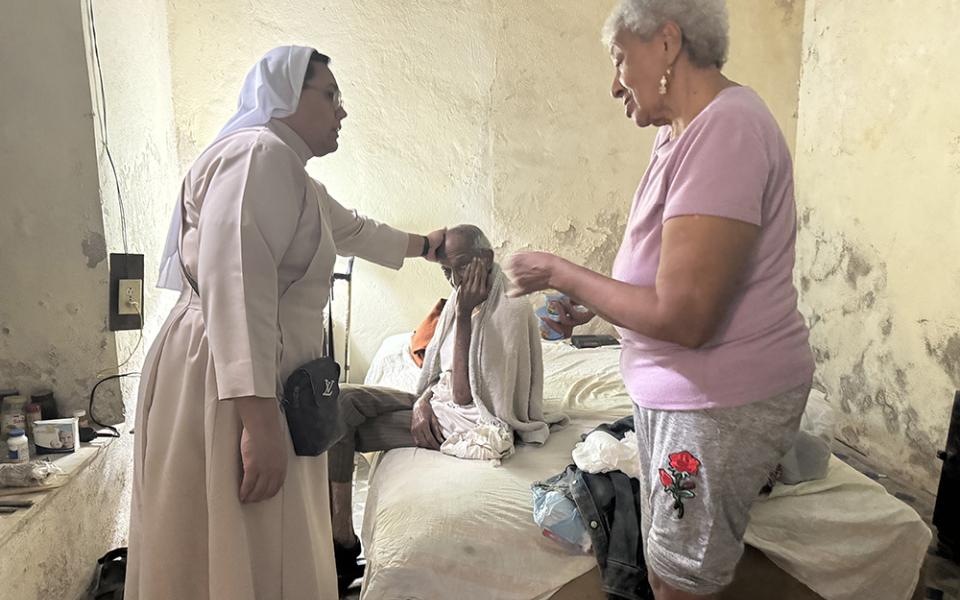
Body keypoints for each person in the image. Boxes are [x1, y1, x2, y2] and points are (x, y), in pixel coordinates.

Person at [504, 1, 815, 598]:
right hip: (683, 395)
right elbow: (671, 275)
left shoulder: (727, 130)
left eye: (619, 58)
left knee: (679, 581)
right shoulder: (680, 136)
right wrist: (600, 304)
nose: (613, 82)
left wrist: (560, 273)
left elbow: (687, 317)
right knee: (665, 567)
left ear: (667, 44)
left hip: (717, 401)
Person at [126, 46, 445, 600]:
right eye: (330, 95)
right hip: (229, 377)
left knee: (259, 534)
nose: (342, 111)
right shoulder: (257, 156)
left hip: (256, 374)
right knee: (235, 528)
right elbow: (236, 286)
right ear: (282, 97)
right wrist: (258, 423)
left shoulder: (286, 169)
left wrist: (430, 246)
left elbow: (353, 230)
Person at [328, 224, 565, 591]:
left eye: (461, 267)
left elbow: (466, 397)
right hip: (438, 400)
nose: (454, 280)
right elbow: (435, 372)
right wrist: (422, 401)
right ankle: (342, 537)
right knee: (342, 399)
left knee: (346, 428)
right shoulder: (458, 299)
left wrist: (468, 315)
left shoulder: (512, 308)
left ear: (486, 259)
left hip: (468, 419)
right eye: (446, 272)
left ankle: (342, 548)